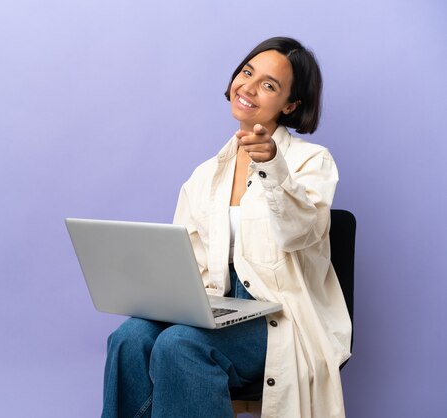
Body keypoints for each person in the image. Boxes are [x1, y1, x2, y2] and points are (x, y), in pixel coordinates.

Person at [101, 37, 352, 418]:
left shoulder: (310, 162)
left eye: (269, 84)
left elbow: (300, 231)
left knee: (180, 345)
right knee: (129, 338)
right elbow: (187, 258)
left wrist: (271, 166)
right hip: (215, 306)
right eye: (247, 72)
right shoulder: (205, 175)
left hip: (278, 318)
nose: (249, 87)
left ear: (290, 105)